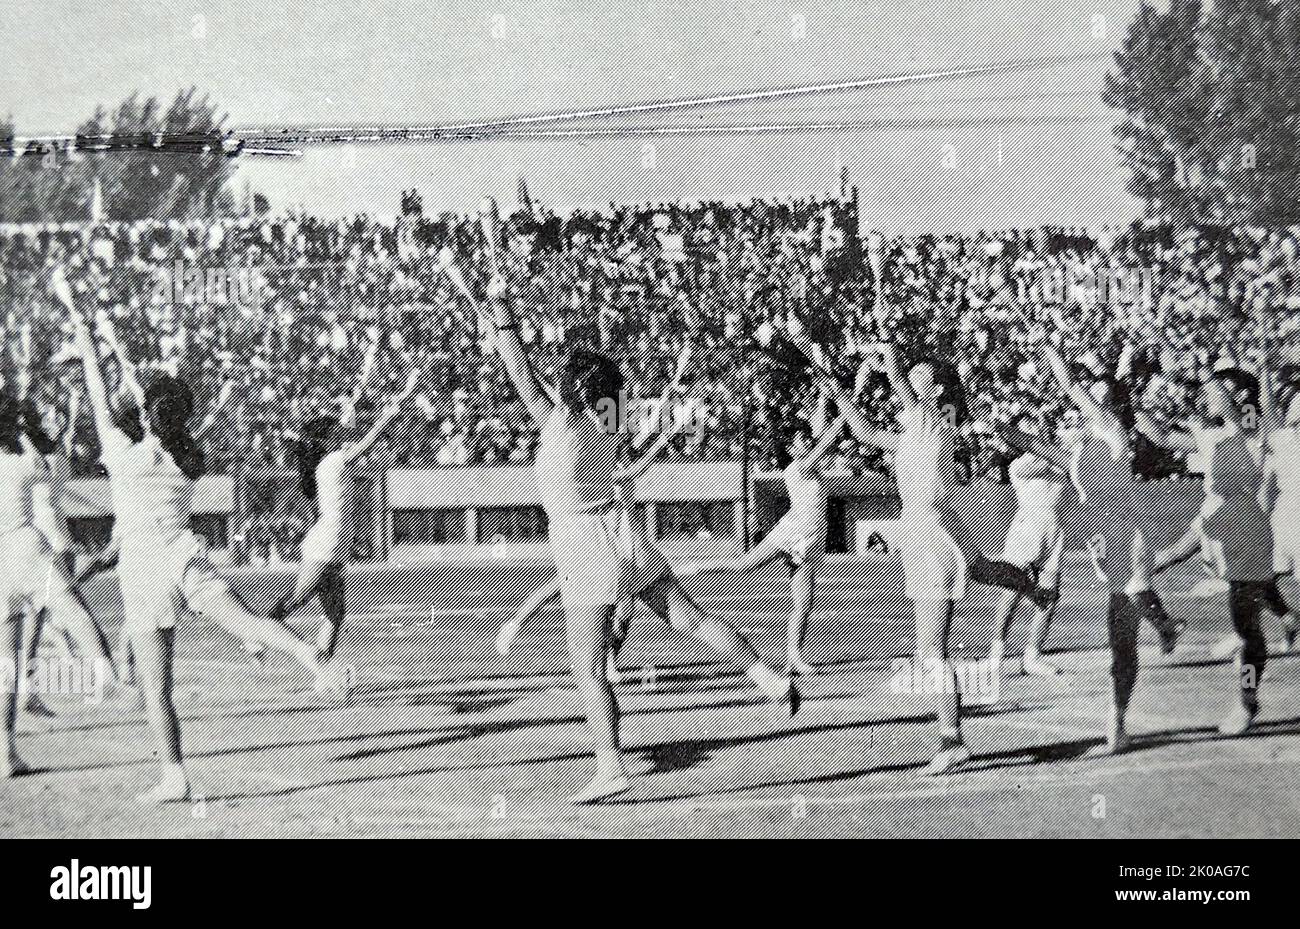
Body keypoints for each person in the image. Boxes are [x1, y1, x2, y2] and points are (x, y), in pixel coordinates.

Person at [459, 256, 798, 805]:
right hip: (623, 532)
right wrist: (503, 322)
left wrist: (497, 313)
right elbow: (537, 376)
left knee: (588, 665)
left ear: (573, 390)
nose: (555, 380)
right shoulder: (609, 423)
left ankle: (610, 764)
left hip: (584, 543)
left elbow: (521, 370)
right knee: (685, 617)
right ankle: (766, 675)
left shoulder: (560, 423)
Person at [57, 268, 341, 803]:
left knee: (156, 686)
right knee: (244, 622)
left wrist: (83, 319)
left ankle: (174, 774)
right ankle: (310, 657)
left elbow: (100, 385)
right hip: (185, 555)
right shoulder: (186, 457)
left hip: (142, 572)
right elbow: (147, 399)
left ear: (144, 415)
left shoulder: (122, 454)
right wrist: (116, 347)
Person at [788, 326, 1051, 775]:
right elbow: (862, 425)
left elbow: (886, 392)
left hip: (928, 537)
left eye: (917, 380)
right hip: (932, 533)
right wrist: (845, 380)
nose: (908, 383)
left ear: (933, 393)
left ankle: (952, 740)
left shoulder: (928, 423)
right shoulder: (918, 432)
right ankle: (1026, 583)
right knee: (970, 586)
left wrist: (873, 354)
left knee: (931, 651)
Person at [680, 369, 869, 677]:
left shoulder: (809, 462)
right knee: (743, 566)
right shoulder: (799, 467)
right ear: (792, 448)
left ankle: (794, 656)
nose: (807, 441)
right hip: (792, 531)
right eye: (801, 440)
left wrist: (825, 397)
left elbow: (821, 432)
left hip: (810, 538)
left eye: (806, 438)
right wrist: (853, 396)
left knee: (803, 600)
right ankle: (690, 569)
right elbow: (829, 437)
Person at [1140, 364, 1288, 734]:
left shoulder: (1254, 428)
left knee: (1248, 630)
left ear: (1240, 396)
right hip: (1215, 527)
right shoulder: (1214, 435)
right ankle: (1284, 618)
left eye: (1216, 390)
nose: (1207, 396)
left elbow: (1245, 415)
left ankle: (1247, 701)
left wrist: (1215, 376)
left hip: (1247, 536)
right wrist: (1130, 407)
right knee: (1161, 561)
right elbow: (1162, 437)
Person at [271, 366, 422, 662]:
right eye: (336, 433)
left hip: (337, 542)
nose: (342, 434)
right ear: (325, 441)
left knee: (335, 613)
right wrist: (387, 417)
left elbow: (349, 426)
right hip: (328, 541)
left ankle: (322, 670)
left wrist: (405, 392)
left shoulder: (328, 459)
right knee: (297, 599)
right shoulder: (333, 461)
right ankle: (257, 634)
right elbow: (368, 441)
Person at [988, 413, 1071, 678]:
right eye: (1027, 429)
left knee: (1049, 594)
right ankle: (996, 655)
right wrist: (1053, 444)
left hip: (1054, 528)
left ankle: (1032, 657)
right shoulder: (1019, 465)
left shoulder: (1057, 456)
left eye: (1036, 425)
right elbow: (1045, 462)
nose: (1034, 430)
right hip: (1027, 527)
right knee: (1012, 590)